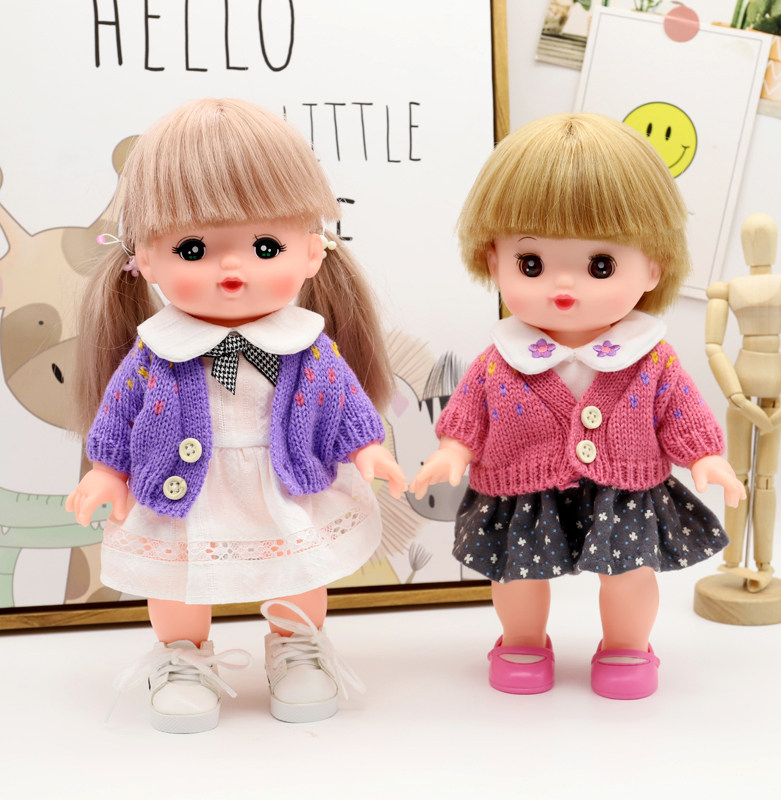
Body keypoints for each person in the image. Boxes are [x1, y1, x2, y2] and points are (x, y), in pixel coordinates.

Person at [67, 98, 406, 732]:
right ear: (144, 257)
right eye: (193, 247)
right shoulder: (155, 352)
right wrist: (106, 471)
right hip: (182, 491)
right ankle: (182, 656)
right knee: (177, 581)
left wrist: (369, 448)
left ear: (312, 252)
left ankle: (297, 646)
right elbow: (120, 413)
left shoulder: (308, 345)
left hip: (283, 482)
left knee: (299, 567)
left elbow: (343, 402)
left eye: (265, 245)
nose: (231, 268)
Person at [410, 113, 745, 700]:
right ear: (493, 261)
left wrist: (706, 457)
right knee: (517, 573)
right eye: (531, 264)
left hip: (625, 489)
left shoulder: (651, 358)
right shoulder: (500, 359)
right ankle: (522, 641)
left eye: (600, 265)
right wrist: (452, 451)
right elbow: (470, 413)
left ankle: (626, 647)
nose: (563, 287)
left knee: (629, 573)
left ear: (654, 265)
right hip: (522, 488)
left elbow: (681, 411)